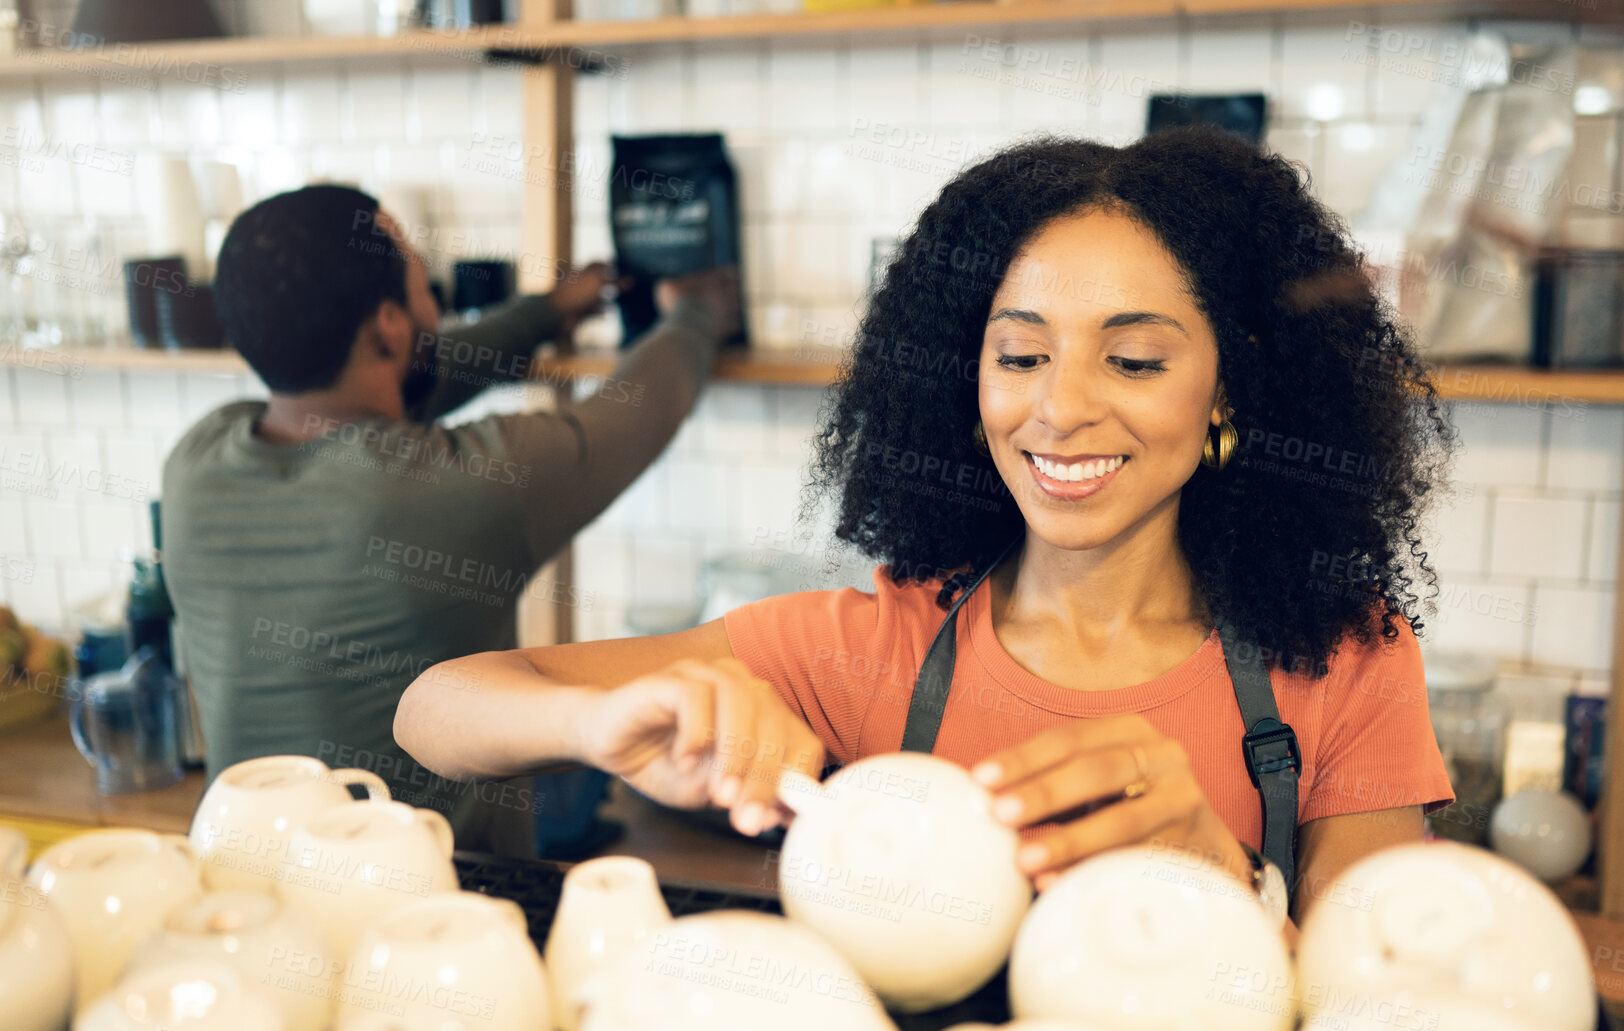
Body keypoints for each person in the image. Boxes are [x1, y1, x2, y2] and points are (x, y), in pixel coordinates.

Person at [393, 129, 1457, 925]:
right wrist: (607, 723)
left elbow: (1380, 1022)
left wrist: (1223, 876)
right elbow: (434, 710)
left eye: (1133, 360)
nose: (1061, 407)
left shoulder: (1345, 660)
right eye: (1021, 354)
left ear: (1231, 390)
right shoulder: (871, 649)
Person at [161, 183, 739, 857]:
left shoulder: (195, 463)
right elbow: (634, 413)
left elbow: (402, 387)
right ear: (389, 325)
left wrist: (544, 313)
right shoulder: (462, 489)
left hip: (239, 885)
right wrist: (696, 312)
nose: (433, 301)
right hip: (434, 902)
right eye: (421, 286)